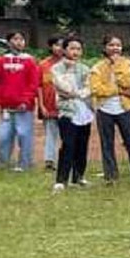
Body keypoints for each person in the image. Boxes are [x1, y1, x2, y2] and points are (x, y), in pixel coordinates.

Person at [89, 35, 130, 184]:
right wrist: (118, 90)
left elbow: (128, 82)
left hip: (125, 108)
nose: (115, 48)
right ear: (105, 48)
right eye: (111, 45)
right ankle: (111, 175)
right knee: (107, 144)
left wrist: (116, 69)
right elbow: (96, 88)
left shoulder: (128, 64)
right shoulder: (97, 67)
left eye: (118, 45)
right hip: (104, 109)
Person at [0, 30, 42, 171]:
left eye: (21, 39)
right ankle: (3, 163)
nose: (19, 42)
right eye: (15, 39)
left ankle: (24, 163)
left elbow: (33, 83)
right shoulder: (1, 61)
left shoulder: (30, 61)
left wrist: (26, 100)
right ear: (9, 42)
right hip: (6, 107)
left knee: (24, 135)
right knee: (3, 136)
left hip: (24, 107)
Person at [50, 38, 94, 190]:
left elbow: (89, 88)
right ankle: (61, 179)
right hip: (67, 112)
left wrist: (76, 94)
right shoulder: (57, 68)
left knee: (82, 145)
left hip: (85, 111)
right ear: (64, 50)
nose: (75, 52)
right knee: (68, 145)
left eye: (78, 49)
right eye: (72, 48)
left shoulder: (85, 68)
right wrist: (75, 91)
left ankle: (78, 176)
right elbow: (63, 86)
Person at [37, 37, 64, 170]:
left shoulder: (70, 64)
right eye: (56, 45)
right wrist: (41, 106)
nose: (59, 48)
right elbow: (39, 86)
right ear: (50, 47)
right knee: (51, 133)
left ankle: (66, 160)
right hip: (49, 106)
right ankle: (49, 161)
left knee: (67, 134)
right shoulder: (43, 65)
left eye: (62, 45)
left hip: (66, 107)